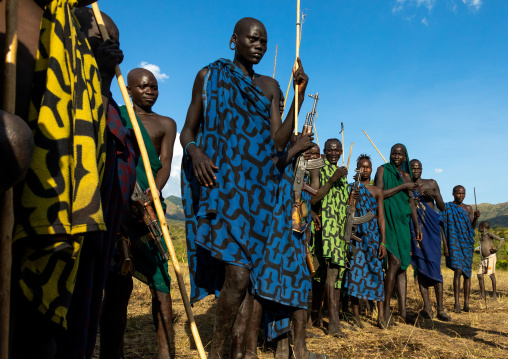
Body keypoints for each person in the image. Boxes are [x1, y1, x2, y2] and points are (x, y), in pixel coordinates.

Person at [180, 17, 321, 359]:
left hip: (260, 194)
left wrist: (298, 97)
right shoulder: (209, 76)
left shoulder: (271, 86)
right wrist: (195, 151)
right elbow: (188, 130)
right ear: (234, 40)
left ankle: (237, 352)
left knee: (248, 282)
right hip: (224, 188)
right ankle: (218, 354)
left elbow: (276, 142)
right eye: (253, 39)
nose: (259, 45)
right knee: (239, 277)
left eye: (264, 41)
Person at [8, 0, 109, 357]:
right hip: (16, 207)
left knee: (38, 333)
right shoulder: (16, 17)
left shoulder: (73, 46)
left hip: (56, 217)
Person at [55, 8, 139, 359]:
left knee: (89, 309)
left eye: (116, 46)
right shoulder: (59, 87)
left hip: (101, 231)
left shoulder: (118, 113)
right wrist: (100, 76)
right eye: (100, 43)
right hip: (61, 225)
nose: (112, 51)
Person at [100, 68, 177, 359]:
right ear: (128, 90)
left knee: (162, 281)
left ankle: (165, 352)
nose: (150, 91)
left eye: (154, 86)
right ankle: (112, 352)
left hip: (149, 210)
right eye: (143, 86)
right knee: (118, 286)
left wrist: (151, 195)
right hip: (119, 209)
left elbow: (166, 164)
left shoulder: (166, 123)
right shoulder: (117, 117)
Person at [373, 144, 421, 325]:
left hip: (402, 224)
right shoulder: (382, 170)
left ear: (405, 157)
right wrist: (402, 186)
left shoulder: (407, 176)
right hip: (388, 221)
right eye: (394, 153)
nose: (396, 156)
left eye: (400, 154)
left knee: (402, 268)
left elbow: (411, 203)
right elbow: (379, 194)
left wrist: (416, 226)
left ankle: (402, 312)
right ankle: (383, 313)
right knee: (394, 263)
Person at [310, 138, 349, 336]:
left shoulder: (343, 174)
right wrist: (333, 179)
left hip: (340, 232)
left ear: (341, 151)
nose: (333, 153)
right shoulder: (318, 168)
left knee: (332, 277)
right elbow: (314, 198)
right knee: (328, 275)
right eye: (330, 150)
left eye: (337, 150)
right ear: (325, 151)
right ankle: (333, 324)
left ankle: (316, 319)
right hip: (324, 230)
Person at [344, 154, 387, 329]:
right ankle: (356, 317)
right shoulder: (351, 188)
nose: (365, 169)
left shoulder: (377, 191)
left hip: (373, 238)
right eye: (361, 166)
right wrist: (353, 199)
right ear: (357, 169)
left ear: (371, 168)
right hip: (356, 238)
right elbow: (348, 213)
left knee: (377, 275)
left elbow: (381, 218)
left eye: (368, 166)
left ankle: (381, 317)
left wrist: (383, 242)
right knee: (355, 276)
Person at [409, 159, 451, 321]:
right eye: (413, 168)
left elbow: (442, 207)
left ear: (422, 169)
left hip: (432, 230)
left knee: (435, 268)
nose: (416, 170)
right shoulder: (408, 186)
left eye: (418, 168)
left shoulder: (432, 183)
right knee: (420, 267)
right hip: (416, 229)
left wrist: (433, 195)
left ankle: (441, 309)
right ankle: (427, 308)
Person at [440, 185, 480, 313]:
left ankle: (466, 304)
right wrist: (445, 245)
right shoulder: (447, 207)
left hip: (467, 243)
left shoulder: (468, 208)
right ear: (453, 194)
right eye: (458, 193)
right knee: (457, 271)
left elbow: (471, 227)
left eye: (463, 193)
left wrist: (476, 217)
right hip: (454, 243)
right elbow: (441, 227)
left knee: (467, 274)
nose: (461, 196)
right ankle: (456, 303)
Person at [477, 221, 504, 301]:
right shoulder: (482, 236)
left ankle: (494, 295)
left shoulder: (489, 234)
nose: (478, 228)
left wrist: (497, 249)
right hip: (483, 259)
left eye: (479, 227)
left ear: (483, 227)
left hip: (491, 257)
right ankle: (482, 294)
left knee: (491, 275)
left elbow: (501, 240)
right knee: (479, 275)